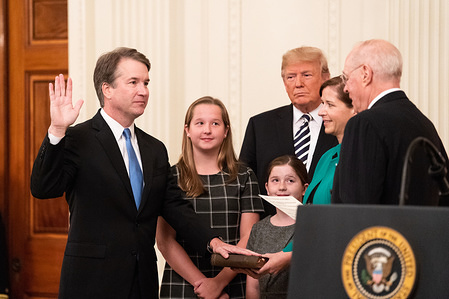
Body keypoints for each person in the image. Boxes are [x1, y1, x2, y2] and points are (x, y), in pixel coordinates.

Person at [30, 47, 256, 298]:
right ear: (107, 89)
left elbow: (175, 207)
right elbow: (43, 188)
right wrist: (57, 131)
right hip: (91, 282)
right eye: (133, 82)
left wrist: (213, 242)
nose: (144, 91)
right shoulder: (77, 139)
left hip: (142, 282)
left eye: (146, 82)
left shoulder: (154, 149)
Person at [156, 96, 264, 299]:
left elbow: (249, 237)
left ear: (226, 131)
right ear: (187, 130)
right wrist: (201, 284)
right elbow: (164, 241)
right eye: (200, 123)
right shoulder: (170, 177)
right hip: (183, 282)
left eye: (215, 123)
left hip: (232, 281)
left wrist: (217, 284)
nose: (207, 130)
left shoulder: (244, 176)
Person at [332, 39, 449, 205]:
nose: (345, 88)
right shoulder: (424, 124)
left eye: (346, 78)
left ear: (365, 73)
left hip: (378, 230)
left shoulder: (364, 124)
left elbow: (356, 206)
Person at [240, 46, 338, 216]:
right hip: (271, 229)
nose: (298, 83)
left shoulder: (341, 125)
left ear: (325, 78)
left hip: (326, 224)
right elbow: (245, 186)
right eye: (291, 77)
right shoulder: (260, 126)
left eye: (306, 75)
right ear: (284, 83)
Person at [245, 155, 308, 299]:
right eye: (275, 180)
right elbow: (253, 286)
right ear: (267, 187)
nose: (282, 187)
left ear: (304, 188)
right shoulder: (258, 229)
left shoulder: (312, 225)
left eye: (290, 180)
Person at [303, 76, 355, 204]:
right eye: (322, 104)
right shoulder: (326, 157)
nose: (321, 112)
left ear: (354, 108)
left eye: (330, 105)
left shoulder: (360, 157)